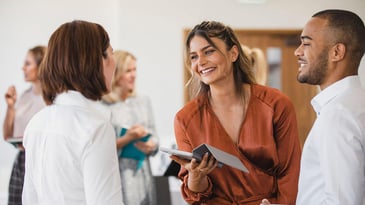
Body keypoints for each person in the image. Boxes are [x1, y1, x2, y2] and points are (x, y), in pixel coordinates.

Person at [171, 20, 301, 205]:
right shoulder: (185, 119)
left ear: (233, 53)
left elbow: (291, 173)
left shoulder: (276, 104)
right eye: (193, 56)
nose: (201, 62)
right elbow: (194, 195)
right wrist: (196, 175)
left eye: (209, 51)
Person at [262, 9, 365, 205]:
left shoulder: (338, 115)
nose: (298, 51)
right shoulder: (356, 103)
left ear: (337, 52)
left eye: (306, 43)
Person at [22, 20, 123, 205]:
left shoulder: (37, 122)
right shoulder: (96, 128)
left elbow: (30, 198)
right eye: (112, 53)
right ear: (98, 60)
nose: (115, 62)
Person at [102, 50, 158, 205]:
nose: (133, 75)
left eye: (135, 70)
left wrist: (151, 145)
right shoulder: (104, 105)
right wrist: (128, 138)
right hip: (118, 176)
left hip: (143, 173)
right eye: (128, 71)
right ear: (117, 73)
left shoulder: (143, 101)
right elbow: (101, 147)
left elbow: (154, 135)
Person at [3, 45, 46, 205]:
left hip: (42, 163)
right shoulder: (24, 97)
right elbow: (7, 135)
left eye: (28, 63)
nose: (23, 67)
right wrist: (10, 107)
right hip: (22, 161)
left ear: (41, 66)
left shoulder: (53, 100)